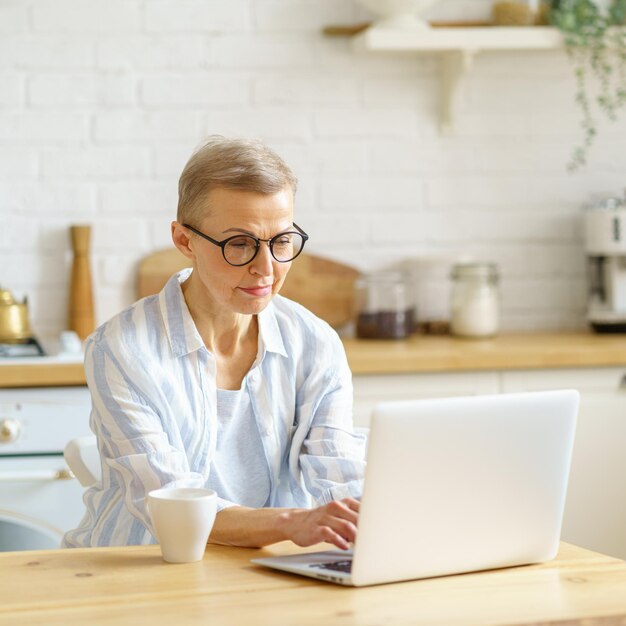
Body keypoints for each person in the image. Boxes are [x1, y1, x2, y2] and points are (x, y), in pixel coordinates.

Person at [63, 136, 366, 551]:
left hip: (263, 571)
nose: (266, 269)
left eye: (281, 242)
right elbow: (173, 506)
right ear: (185, 241)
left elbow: (339, 477)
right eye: (239, 244)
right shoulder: (122, 349)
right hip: (140, 570)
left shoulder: (315, 343)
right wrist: (295, 522)